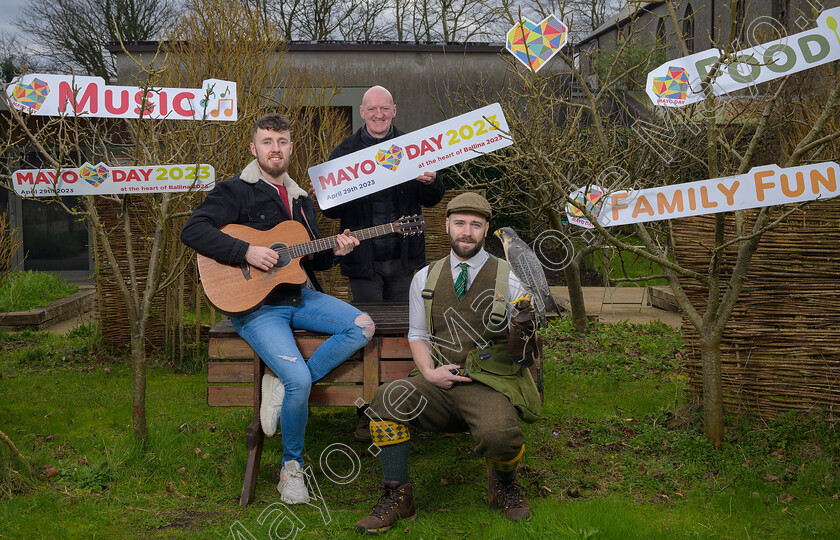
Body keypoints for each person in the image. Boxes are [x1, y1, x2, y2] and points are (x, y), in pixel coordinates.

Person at [180, 113, 375, 505]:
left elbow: (310, 261)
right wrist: (246, 250)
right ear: (254, 148)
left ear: (291, 147)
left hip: (300, 296)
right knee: (301, 381)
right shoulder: (235, 190)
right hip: (256, 307)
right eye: (267, 141)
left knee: (363, 325)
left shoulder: (302, 200)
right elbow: (193, 230)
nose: (275, 149)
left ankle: (282, 386)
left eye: (282, 141)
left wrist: (335, 250)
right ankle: (291, 470)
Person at [354, 192, 541, 534]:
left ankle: (504, 484)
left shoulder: (510, 279)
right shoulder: (424, 278)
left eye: (475, 224)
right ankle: (398, 496)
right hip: (436, 382)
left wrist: (525, 327)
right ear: (447, 226)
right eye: (460, 223)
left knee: (500, 435)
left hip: (490, 382)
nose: (466, 231)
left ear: (486, 230)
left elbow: (524, 351)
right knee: (386, 398)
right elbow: (418, 334)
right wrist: (428, 372)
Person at [323, 85, 445, 440]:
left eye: (385, 109)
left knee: (409, 335)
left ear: (394, 110)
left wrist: (432, 179)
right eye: (372, 109)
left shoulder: (413, 147)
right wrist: (325, 193)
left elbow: (434, 198)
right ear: (362, 112)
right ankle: (366, 411)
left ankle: (404, 406)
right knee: (366, 335)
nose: (378, 114)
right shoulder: (344, 153)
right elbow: (329, 209)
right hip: (363, 265)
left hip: (405, 261)